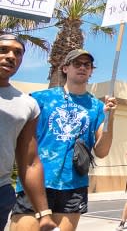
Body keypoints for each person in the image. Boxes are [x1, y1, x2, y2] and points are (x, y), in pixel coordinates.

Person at [11, 48, 117, 231]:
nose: (82, 67)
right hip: (37, 181)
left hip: (73, 185)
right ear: (65, 68)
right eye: (77, 63)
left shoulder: (98, 108)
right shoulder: (40, 99)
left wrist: (110, 118)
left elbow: (101, 151)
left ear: (92, 70)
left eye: (87, 65)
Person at [0, 34, 57, 231]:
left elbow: (30, 161)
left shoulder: (27, 105)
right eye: (3, 50)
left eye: (18, 53)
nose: (11, 56)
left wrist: (43, 213)